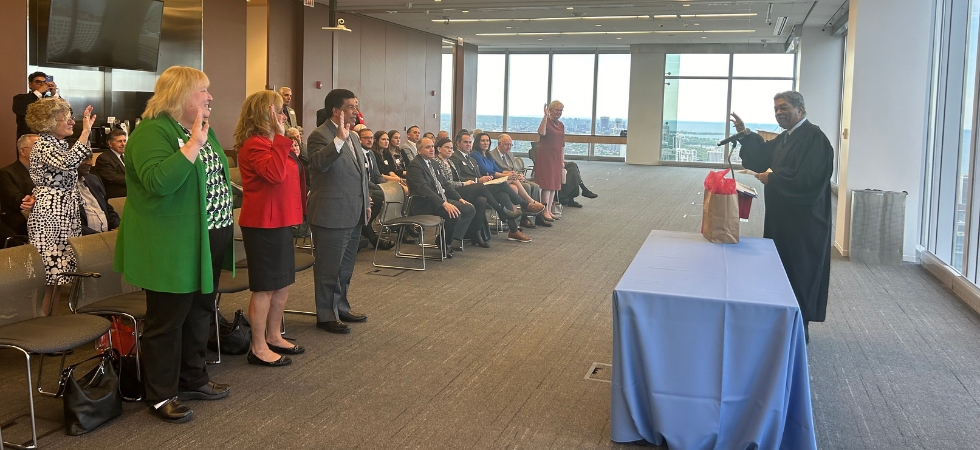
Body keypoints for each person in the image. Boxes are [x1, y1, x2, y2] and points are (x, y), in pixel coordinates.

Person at [115, 66, 234, 423]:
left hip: (206, 235)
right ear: (180, 94)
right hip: (171, 243)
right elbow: (157, 182)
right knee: (166, 320)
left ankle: (192, 377)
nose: (210, 96)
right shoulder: (152, 131)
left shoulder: (196, 128)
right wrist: (194, 145)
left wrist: (198, 139)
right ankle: (160, 394)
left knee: (200, 310)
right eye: (203, 90)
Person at [733, 91, 833, 344]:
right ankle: (783, 319)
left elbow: (808, 180)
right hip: (782, 217)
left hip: (805, 222)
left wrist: (773, 179)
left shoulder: (815, 139)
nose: (779, 113)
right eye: (776, 109)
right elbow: (761, 156)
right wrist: (745, 134)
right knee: (781, 267)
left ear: (800, 109)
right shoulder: (786, 138)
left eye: (784, 108)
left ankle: (802, 325)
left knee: (801, 269)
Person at [235, 90, 307, 367]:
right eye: (278, 111)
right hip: (263, 223)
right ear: (264, 114)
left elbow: (290, 174)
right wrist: (282, 141)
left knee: (283, 283)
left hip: (281, 220)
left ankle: (274, 335)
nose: (283, 115)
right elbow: (274, 176)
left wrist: (287, 148)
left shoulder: (272, 142)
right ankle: (258, 346)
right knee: (265, 287)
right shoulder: (254, 145)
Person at [306, 89, 370, 335]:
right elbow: (318, 163)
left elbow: (360, 173)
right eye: (351, 107)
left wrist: (366, 202)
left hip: (353, 211)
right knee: (328, 268)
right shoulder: (319, 135)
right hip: (331, 213)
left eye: (356, 106)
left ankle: (341, 307)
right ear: (336, 110)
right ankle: (325, 314)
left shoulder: (353, 136)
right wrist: (339, 141)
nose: (356, 111)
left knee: (344, 267)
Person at [25, 98, 95, 316]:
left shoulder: (57, 144)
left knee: (58, 274)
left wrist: (85, 133)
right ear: (49, 122)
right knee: (50, 273)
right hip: (50, 215)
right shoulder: (43, 144)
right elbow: (69, 163)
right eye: (67, 119)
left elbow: (77, 158)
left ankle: (51, 324)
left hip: (62, 212)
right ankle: (42, 329)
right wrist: (85, 132)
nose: (72, 122)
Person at [432, 137, 523, 247]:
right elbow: (446, 184)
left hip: (459, 188)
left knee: (482, 200)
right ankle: (504, 210)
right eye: (447, 147)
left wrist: (468, 182)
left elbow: (458, 178)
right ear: (439, 149)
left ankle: (476, 234)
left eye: (451, 148)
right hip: (450, 192)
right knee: (481, 187)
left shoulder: (450, 161)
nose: (450, 150)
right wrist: (466, 183)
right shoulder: (436, 163)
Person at [406, 137, 475, 257]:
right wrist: (444, 203)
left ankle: (446, 239)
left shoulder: (433, 162)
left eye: (432, 146)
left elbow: (445, 183)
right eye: (428, 147)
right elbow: (424, 189)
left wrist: (459, 198)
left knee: (469, 209)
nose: (432, 149)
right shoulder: (415, 166)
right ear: (419, 151)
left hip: (438, 200)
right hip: (424, 203)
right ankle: (444, 243)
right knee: (454, 214)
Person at [469, 132, 549, 227]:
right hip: (488, 183)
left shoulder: (488, 155)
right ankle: (530, 204)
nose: (486, 143)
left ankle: (518, 220)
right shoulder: (476, 155)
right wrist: (509, 176)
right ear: (477, 142)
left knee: (516, 186)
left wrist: (512, 174)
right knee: (515, 183)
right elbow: (487, 170)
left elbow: (498, 170)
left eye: (487, 141)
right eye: (483, 141)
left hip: (497, 180)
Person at [357, 128, 396, 250]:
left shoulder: (371, 154)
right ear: (359, 139)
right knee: (379, 197)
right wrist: (380, 188)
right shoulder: (357, 154)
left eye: (371, 138)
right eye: (366, 138)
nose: (370, 140)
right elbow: (362, 178)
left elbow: (377, 175)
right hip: (361, 188)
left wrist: (386, 186)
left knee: (391, 193)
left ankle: (365, 228)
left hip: (372, 187)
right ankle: (371, 235)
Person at [0, 134, 38, 236]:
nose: (43, 153)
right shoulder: (6, 173)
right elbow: (18, 201)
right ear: (22, 151)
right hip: (21, 223)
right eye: (37, 148)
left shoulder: (47, 173)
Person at [536, 101, 565, 222]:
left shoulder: (561, 125)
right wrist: (545, 116)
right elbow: (541, 132)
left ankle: (549, 210)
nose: (559, 112)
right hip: (546, 157)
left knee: (554, 185)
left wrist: (562, 160)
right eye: (557, 110)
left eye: (561, 110)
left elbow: (562, 144)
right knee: (547, 185)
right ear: (551, 110)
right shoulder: (546, 122)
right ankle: (544, 210)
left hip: (557, 157)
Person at [77, 160, 120, 235]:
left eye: (91, 158)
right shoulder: (56, 189)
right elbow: (68, 225)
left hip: (106, 236)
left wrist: (117, 226)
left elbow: (107, 207)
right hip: (81, 241)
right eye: (84, 159)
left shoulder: (93, 179)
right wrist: (100, 237)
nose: (90, 163)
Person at [12, 72, 55, 139]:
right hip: (29, 140)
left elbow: (68, 112)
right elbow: (20, 109)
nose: (43, 85)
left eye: (45, 82)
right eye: (38, 82)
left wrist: (54, 94)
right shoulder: (20, 98)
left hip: (49, 140)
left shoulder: (50, 100)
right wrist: (38, 92)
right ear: (30, 84)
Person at [93, 129, 128, 198]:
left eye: (124, 141)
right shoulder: (103, 159)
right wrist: (135, 180)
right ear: (110, 143)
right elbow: (113, 178)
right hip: (116, 193)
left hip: (129, 188)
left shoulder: (127, 156)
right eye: (119, 141)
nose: (123, 144)